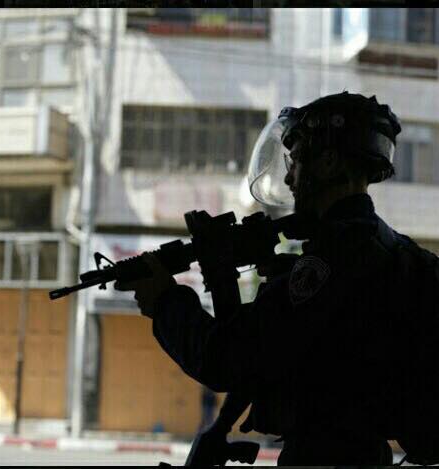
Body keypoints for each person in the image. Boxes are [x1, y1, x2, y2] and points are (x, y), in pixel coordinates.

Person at [116, 91, 404, 465]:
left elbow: (226, 359)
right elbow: (267, 351)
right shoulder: (386, 247)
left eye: (297, 160)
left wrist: (166, 300)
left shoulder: (329, 262)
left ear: (330, 163)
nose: (289, 176)